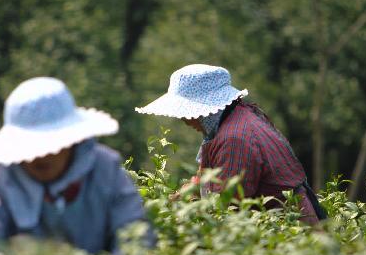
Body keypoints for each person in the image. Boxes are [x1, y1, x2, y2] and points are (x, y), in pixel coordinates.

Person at [0, 77, 154, 255]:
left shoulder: (105, 170)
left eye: (51, 145)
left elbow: (135, 235)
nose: (42, 155)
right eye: (31, 146)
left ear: (71, 142)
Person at [136, 64, 325, 224]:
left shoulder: (234, 139)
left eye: (187, 113)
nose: (185, 120)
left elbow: (227, 209)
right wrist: (181, 196)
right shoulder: (238, 118)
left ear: (206, 110)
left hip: (290, 231)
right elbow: (211, 177)